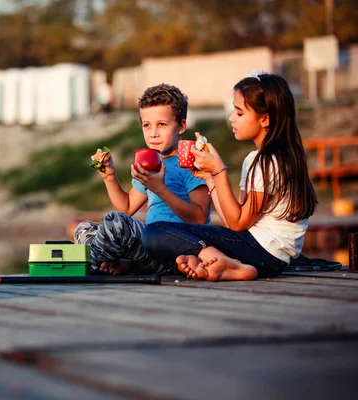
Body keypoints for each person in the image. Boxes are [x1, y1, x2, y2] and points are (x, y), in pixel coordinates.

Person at [141, 73, 318, 281]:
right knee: (164, 238)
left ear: (265, 119)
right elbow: (230, 218)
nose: (231, 117)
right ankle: (217, 263)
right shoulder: (259, 158)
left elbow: (237, 224)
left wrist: (219, 171)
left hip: (263, 253)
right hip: (260, 251)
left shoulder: (270, 161)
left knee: (156, 231)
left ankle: (223, 262)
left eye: (239, 113)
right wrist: (209, 178)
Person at [74, 84, 211, 275]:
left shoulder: (191, 162)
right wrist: (109, 177)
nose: (153, 133)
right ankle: (119, 262)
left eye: (161, 124)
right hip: (147, 246)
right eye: (147, 125)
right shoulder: (150, 162)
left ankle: (93, 264)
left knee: (116, 222)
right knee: (84, 228)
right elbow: (127, 207)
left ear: (181, 126)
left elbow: (200, 217)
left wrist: (160, 188)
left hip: (174, 250)